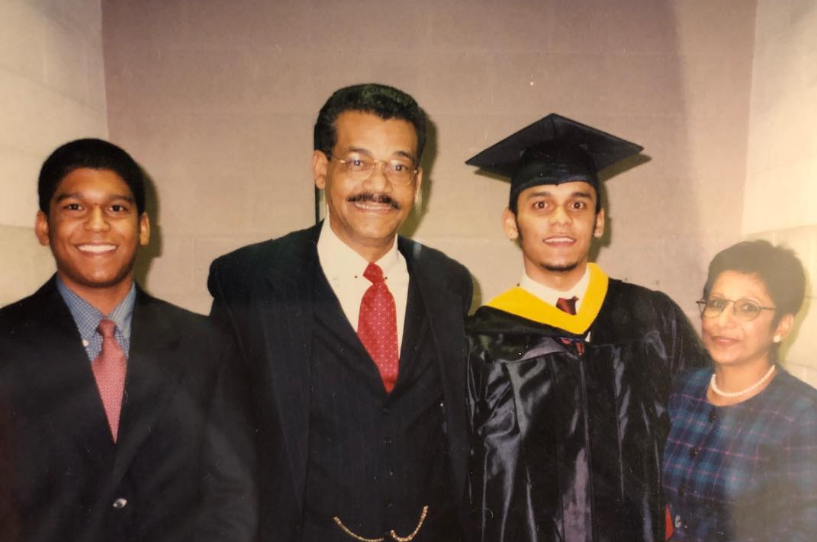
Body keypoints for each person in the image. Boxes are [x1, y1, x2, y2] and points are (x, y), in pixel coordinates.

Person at [206, 83, 473, 541]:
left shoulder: (449, 283)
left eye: (398, 166)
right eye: (357, 162)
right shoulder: (251, 282)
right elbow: (218, 449)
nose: (378, 184)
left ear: (417, 182)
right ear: (320, 168)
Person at [465, 114, 707, 542]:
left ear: (598, 220)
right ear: (510, 222)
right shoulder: (479, 340)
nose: (561, 219)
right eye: (540, 204)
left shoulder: (652, 317)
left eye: (578, 204)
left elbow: (703, 438)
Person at [0, 139, 226, 542]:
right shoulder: (7, 341)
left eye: (117, 208)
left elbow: (233, 493)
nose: (98, 224)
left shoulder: (204, 343)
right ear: (43, 226)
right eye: (74, 207)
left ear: (142, 228)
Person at [662, 240, 817, 542]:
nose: (723, 321)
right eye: (717, 303)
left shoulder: (802, 415)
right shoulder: (684, 390)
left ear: (782, 327)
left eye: (748, 308)